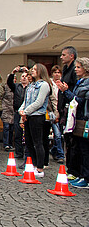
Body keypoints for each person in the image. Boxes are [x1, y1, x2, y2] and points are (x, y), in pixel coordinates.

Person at [58, 57, 89, 188]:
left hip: (84, 119)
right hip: (78, 119)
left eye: (78, 67)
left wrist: (66, 92)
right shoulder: (80, 82)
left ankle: (86, 178)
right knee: (80, 149)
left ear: (86, 69)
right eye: (75, 67)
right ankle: (82, 175)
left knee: (85, 150)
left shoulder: (86, 84)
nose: (75, 70)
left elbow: (78, 101)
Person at [19, 63, 52, 178]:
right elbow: (26, 100)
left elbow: (39, 102)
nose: (32, 71)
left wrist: (26, 111)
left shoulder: (44, 85)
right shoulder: (31, 85)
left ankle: (39, 167)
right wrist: (21, 110)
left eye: (34, 69)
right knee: (29, 142)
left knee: (38, 142)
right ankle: (32, 164)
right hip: (28, 116)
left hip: (37, 116)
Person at [56, 46, 78, 181]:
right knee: (67, 139)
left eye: (64, 55)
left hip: (71, 108)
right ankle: (70, 167)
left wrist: (65, 90)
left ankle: (73, 169)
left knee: (72, 140)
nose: (61, 57)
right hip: (64, 108)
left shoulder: (73, 71)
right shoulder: (65, 70)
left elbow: (74, 93)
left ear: (71, 56)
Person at [7, 66, 30, 159]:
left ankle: (28, 153)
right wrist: (13, 73)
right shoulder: (17, 86)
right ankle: (19, 153)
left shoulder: (31, 87)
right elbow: (9, 83)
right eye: (22, 76)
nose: (24, 77)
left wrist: (28, 72)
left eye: (26, 76)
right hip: (17, 112)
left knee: (28, 134)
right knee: (17, 133)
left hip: (28, 113)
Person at [48, 65, 65, 163]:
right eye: (55, 72)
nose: (57, 74)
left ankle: (54, 150)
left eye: (58, 72)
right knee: (57, 134)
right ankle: (60, 155)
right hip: (52, 111)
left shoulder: (63, 83)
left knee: (60, 134)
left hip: (62, 110)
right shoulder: (50, 83)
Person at [1, 76, 14, 151]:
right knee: (6, 127)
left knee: (12, 128)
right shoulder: (5, 88)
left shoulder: (16, 87)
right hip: (6, 109)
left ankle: (10, 143)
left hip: (13, 110)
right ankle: (6, 144)